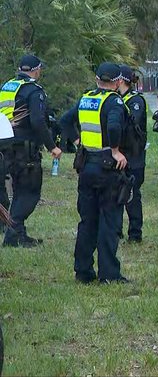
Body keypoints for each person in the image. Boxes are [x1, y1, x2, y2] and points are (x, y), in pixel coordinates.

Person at [60, 62, 132, 284]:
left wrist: (77, 140)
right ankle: (109, 274)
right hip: (107, 169)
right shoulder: (114, 102)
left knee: (87, 220)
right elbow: (113, 127)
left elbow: (65, 121)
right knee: (109, 222)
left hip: (87, 167)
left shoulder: (86, 98)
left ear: (97, 80)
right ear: (118, 82)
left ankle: (83, 271)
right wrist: (116, 151)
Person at [0, 55, 62, 247]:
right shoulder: (34, 91)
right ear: (37, 70)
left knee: (19, 190)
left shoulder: (7, 87)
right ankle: (13, 234)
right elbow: (37, 121)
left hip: (5, 146)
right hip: (24, 148)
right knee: (30, 192)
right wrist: (52, 146)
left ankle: (19, 233)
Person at [117, 65, 147, 244]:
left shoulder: (135, 100)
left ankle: (135, 233)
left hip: (134, 156)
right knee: (115, 194)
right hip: (119, 154)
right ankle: (116, 230)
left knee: (132, 195)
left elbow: (132, 124)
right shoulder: (117, 99)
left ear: (121, 81)